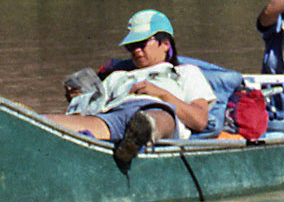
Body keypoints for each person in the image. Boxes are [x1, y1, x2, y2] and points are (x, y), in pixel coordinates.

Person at [53, 9, 213, 169]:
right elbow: (88, 111)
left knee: (157, 117)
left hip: (159, 112)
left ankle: (142, 133)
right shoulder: (117, 77)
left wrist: (162, 94)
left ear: (165, 44)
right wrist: (77, 98)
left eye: (142, 43)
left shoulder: (185, 72)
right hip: (115, 115)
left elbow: (199, 120)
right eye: (131, 46)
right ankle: (132, 141)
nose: (136, 50)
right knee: (50, 123)